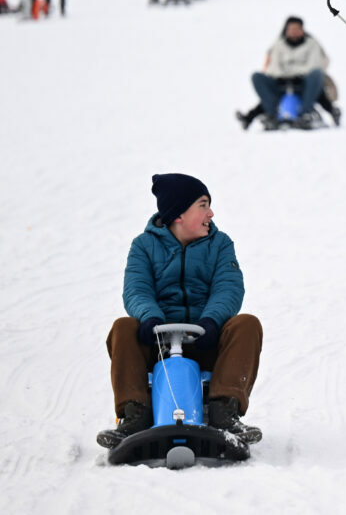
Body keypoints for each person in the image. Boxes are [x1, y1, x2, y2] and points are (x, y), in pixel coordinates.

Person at [97, 174, 263, 448]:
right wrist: (150, 318)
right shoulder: (144, 246)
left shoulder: (220, 245)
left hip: (206, 338)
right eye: (202, 205)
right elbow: (136, 289)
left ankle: (225, 411)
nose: (211, 213)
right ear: (178, 214)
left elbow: (228, 288)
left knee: (247, 324)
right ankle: (134, 414)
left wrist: (211, 321)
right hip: (156, 340)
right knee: (122, 327)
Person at [237, 16, 337, 130]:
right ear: (286, 30)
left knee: (317, 75)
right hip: (281, 84)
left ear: (302, 30)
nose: (293, 32)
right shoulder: (278, 45)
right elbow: (273, 66)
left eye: (296, 29)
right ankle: (272, 115)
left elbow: (315, 65)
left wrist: (295, 73)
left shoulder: (312, 44)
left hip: (304, 84)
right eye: (291, 29)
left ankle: (305, 113)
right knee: (257, 77)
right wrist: (284, 76)